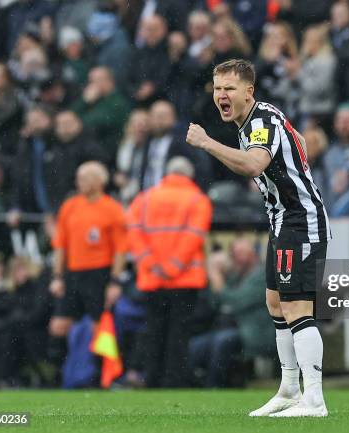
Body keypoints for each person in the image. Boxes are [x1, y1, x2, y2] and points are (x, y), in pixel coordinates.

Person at [186, 59, 330, 417]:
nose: (221, 95)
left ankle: (314, 399)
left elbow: (253, 165)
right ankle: (288, 389)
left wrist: (206, 143)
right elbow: (295, 145)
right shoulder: (255, 120)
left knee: (297, 307)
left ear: (248, 91)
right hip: (282, 220)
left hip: (301, 221)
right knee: (275, 303)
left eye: (229, 88)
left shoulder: (261, 121)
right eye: (217, 88)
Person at [126, 157, 212, 388]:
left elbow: (133, 232)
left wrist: (151, 264)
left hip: (153, 278)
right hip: (185, 279)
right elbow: (193, 236)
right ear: (189, 175)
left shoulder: (144, 199)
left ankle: (151, 378)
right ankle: (174, 380)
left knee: (154, 330)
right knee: (179, 333)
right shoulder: (198, 200)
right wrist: (173, 266)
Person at [48, 162, 127, 349]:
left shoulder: (113, 209)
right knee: (58, 326)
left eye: (84, 178)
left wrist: (115, 281)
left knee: (98, 329)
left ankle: (98, 374)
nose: (79, 182)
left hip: (99, 274)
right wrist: (57, 276)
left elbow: (121, 249)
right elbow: (60, 245)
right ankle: (60, 373)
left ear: (99, 181)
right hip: (73, 273)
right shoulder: (70, 206)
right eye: (78, 178)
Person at [188, 237, 273, 388]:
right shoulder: (234, 276)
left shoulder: (262, 275)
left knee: (221, 341)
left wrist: (216, 276)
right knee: (195, 345)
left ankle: (214, 387)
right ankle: (190, 384)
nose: (238, 257)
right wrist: (218, 275)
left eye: (242, 253)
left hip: (256, 333)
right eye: (234, 253)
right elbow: (214, 302)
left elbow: (237, 301)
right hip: (232, 329)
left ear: (253, 253)